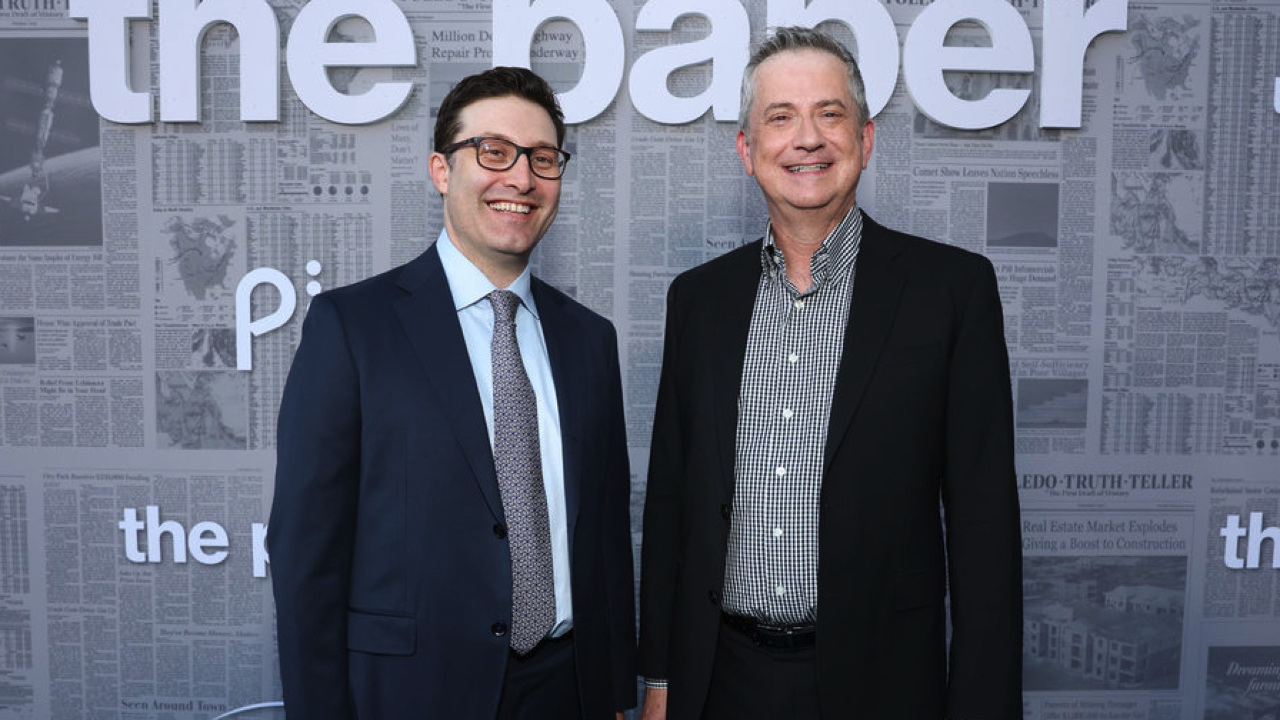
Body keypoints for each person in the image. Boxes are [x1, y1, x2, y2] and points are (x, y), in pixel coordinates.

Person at [638, 27, 1022, 720]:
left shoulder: (951, 291)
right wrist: (660, 678)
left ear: (866, 140)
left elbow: (984, 528)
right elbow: (671, 503)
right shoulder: (698, 299)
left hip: (884, 683)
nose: (807, 138)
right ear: (747, 151)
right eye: (780, 118)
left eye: (830, 114)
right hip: (722, 679)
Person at [269, 66, 636, 720]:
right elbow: (305, 557)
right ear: (442, 170)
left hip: (566, 691)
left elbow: (604, 544)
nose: (520, 178)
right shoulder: (352, 328)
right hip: (413, 695)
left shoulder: (589, 340)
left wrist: (612, 696)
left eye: (542, 158)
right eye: (493, 152)